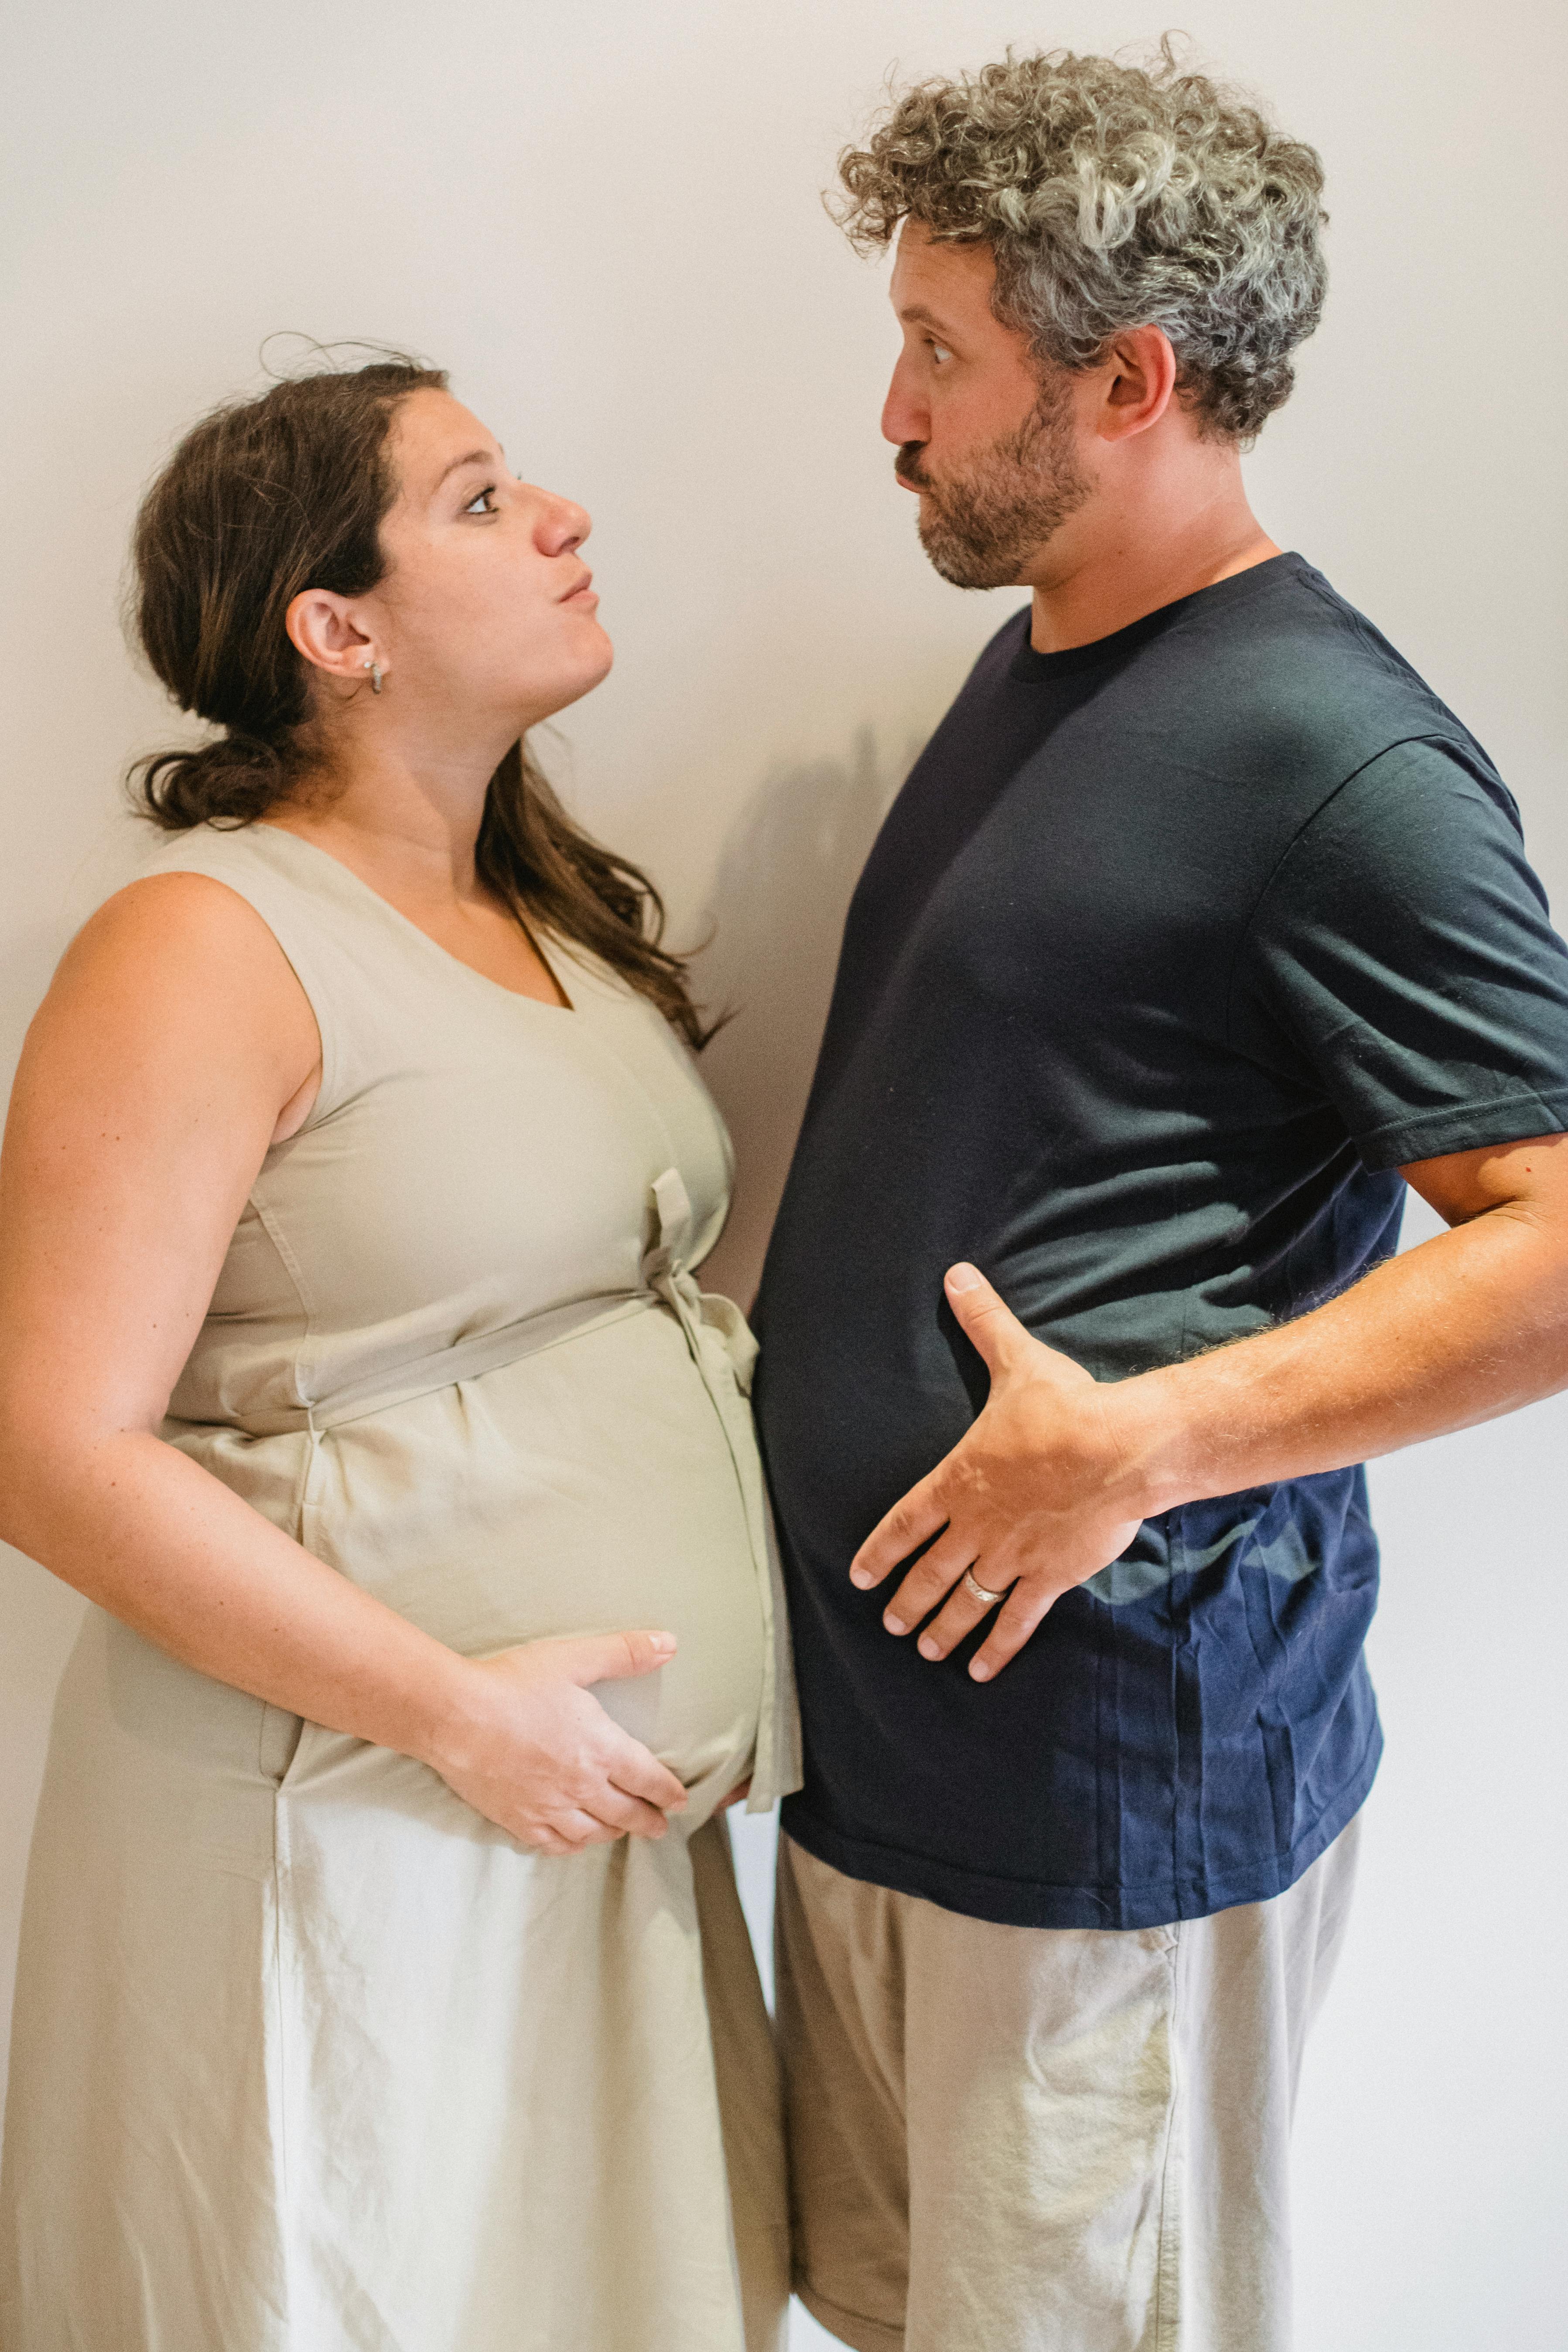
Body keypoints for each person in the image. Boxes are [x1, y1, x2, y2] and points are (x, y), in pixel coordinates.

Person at [752, 47, 1568, 2352]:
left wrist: (1142, 1440)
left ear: (1121, 380)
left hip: (1106, 1795)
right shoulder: (1041, 669)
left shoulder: (1332, 755)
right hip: (901, 1770)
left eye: (937, 352)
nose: (889, 412)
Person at [0, 357, 798, 2352]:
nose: (559, 518)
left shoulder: (550, 918)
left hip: (579, 1825)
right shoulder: (200, 939)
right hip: (353, 1818)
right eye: (475, 498)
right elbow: (46, 1445)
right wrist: (453, 1707)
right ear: (333, 630)